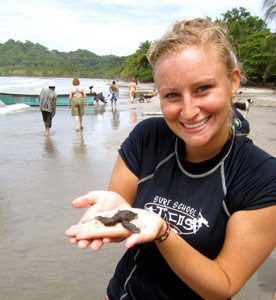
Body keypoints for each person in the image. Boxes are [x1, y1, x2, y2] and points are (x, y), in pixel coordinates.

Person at [66, 18, 276, 300]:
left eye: (203, 88)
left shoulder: (262, 177)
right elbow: (124, 225)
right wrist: (112, 221)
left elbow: (224, 284)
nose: (189, 111)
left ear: (233, 82)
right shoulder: (147, 138)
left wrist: (163, 232)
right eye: (172, 95)